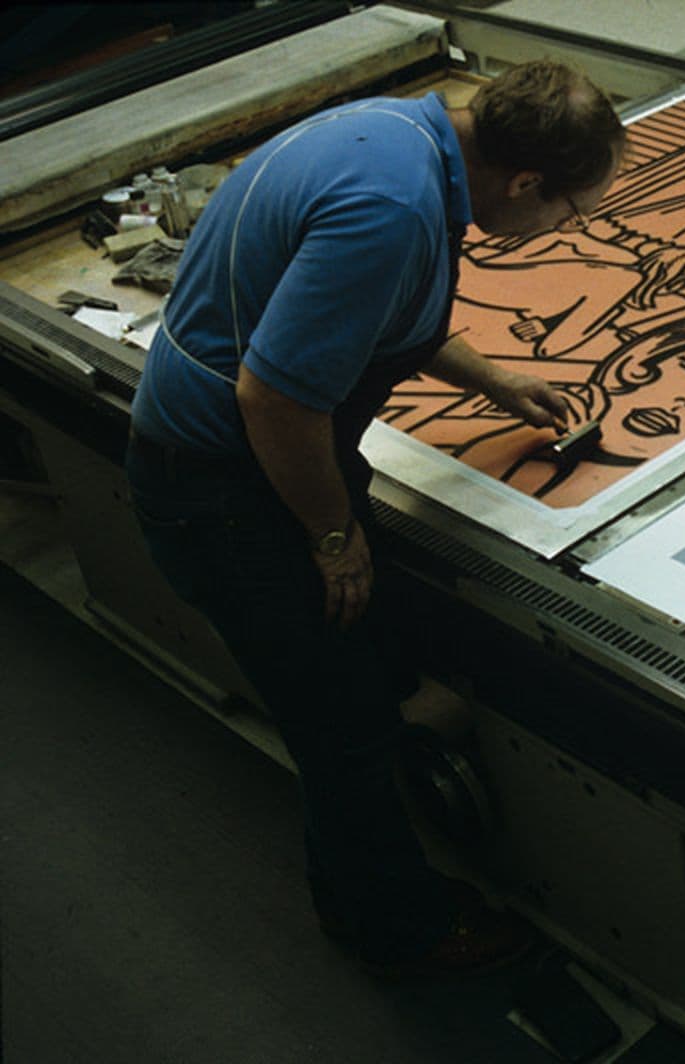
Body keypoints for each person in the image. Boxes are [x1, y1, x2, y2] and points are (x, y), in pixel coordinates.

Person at [124, 60, 624, 976]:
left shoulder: (401, 134)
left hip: (239, 462)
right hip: (225, 488)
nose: (565, 229)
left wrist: (498, 381)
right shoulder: (391, 212)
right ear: (524, 182)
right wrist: (330, 537)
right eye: (571, 210)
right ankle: (395, 925)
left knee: (364, 658)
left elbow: (368, 312)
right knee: (339, 730)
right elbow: (274, 398)